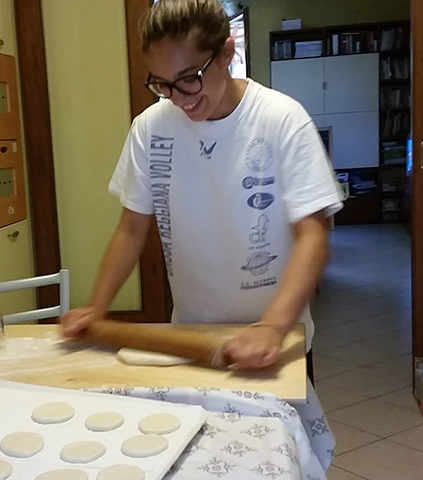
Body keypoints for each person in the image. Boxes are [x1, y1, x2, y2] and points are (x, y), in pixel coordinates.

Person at [61, 0, 342, 372]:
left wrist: (272, 326)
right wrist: (96, 308)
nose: (180, 98)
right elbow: (131, 230)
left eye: (189, 77)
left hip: (276, 334)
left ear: (226, 53)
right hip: (192, 336)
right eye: (163, 84)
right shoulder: (151, 129)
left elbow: (313, 236)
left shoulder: (281, 120)